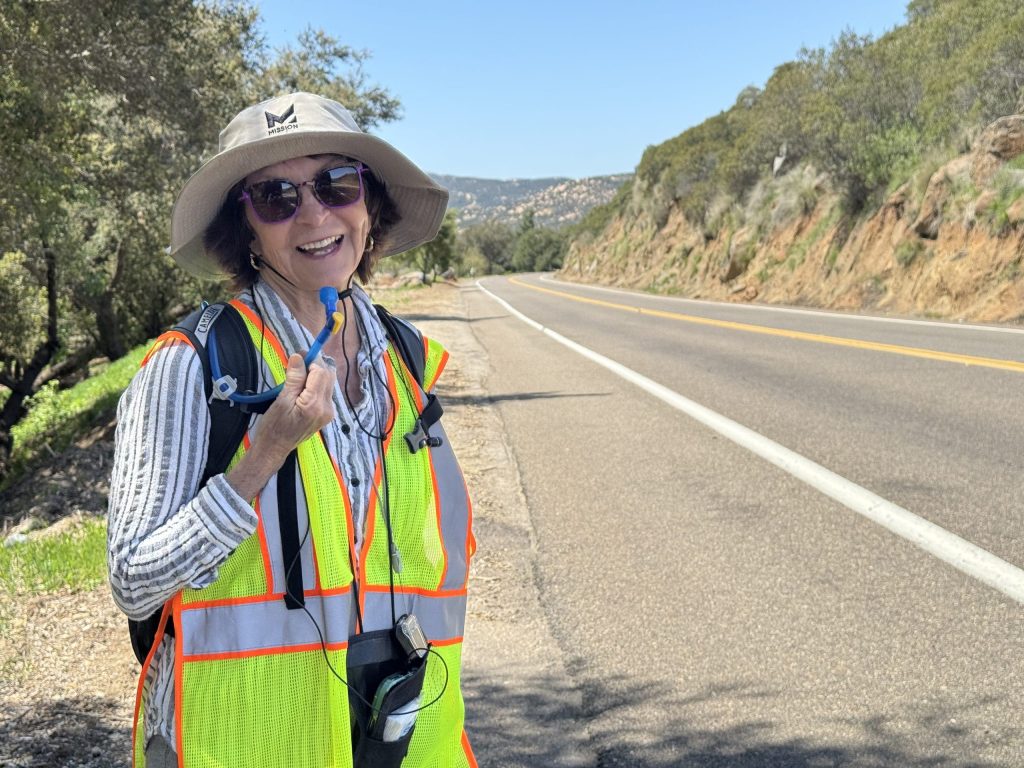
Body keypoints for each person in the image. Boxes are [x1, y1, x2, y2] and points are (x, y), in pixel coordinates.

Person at [107, 92, 477, 768]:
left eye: (338, 184)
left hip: (396, 739)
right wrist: (264, 453)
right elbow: (134, 581)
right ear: (244, 230)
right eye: (276, 197)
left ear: (370, 206)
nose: (314, 214)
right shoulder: (194, 368)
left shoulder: (405, 357)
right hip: (244, 744)